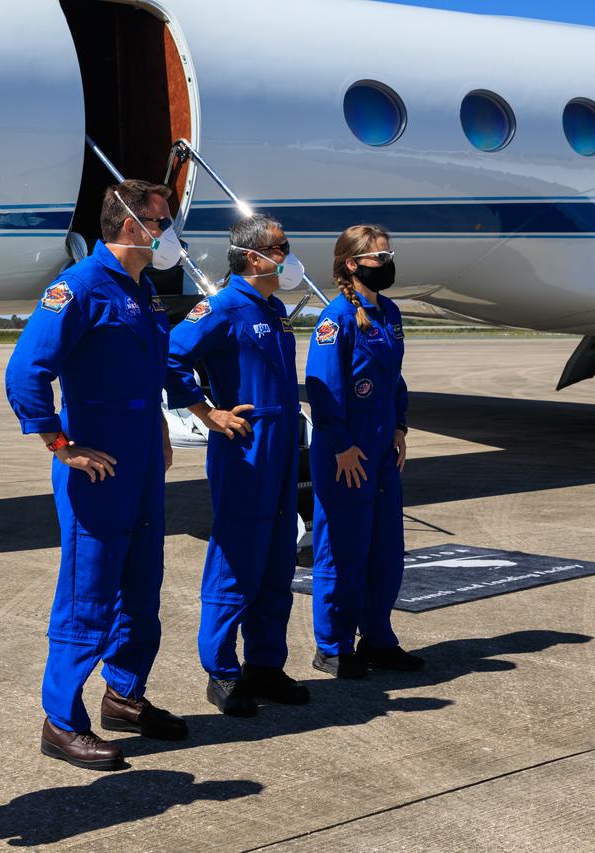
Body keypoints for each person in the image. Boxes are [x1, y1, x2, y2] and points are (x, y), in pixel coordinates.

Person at [4, 179, 188, 771]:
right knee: (89, 594)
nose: (168, 233)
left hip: (141, 463)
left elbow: (149, 371)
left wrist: (160, 425)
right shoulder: (78, 289)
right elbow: (26, 372)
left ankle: (125, 696)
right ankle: (62, 720)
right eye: (161, 221)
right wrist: (60, 443)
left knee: (141, 587)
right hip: (98, 470)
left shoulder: (144, 292)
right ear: (132, 225)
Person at [165, 214, 312, 716]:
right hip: (245, 446)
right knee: (235, 559)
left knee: (277, 559)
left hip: (281, 445)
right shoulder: (223, 306)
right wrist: (209, 412)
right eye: (281, 246)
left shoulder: (272, 309)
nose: (287, 254)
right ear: (253, 256)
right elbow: (170, 357)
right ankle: (222, 671)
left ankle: (266, 665)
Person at [305, 224, 423, 680]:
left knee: (386, 550)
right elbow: (324, 389)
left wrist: (399, 426)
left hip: (381, 449)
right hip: (346, 453)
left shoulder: (389, 312)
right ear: (352, 264)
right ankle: (332, 646)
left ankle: (377, 638)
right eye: (379, 257)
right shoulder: (335, 319)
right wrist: (341, 446)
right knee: (342, 551)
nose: (387, 263)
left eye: (389, 253)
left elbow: (394, 378)